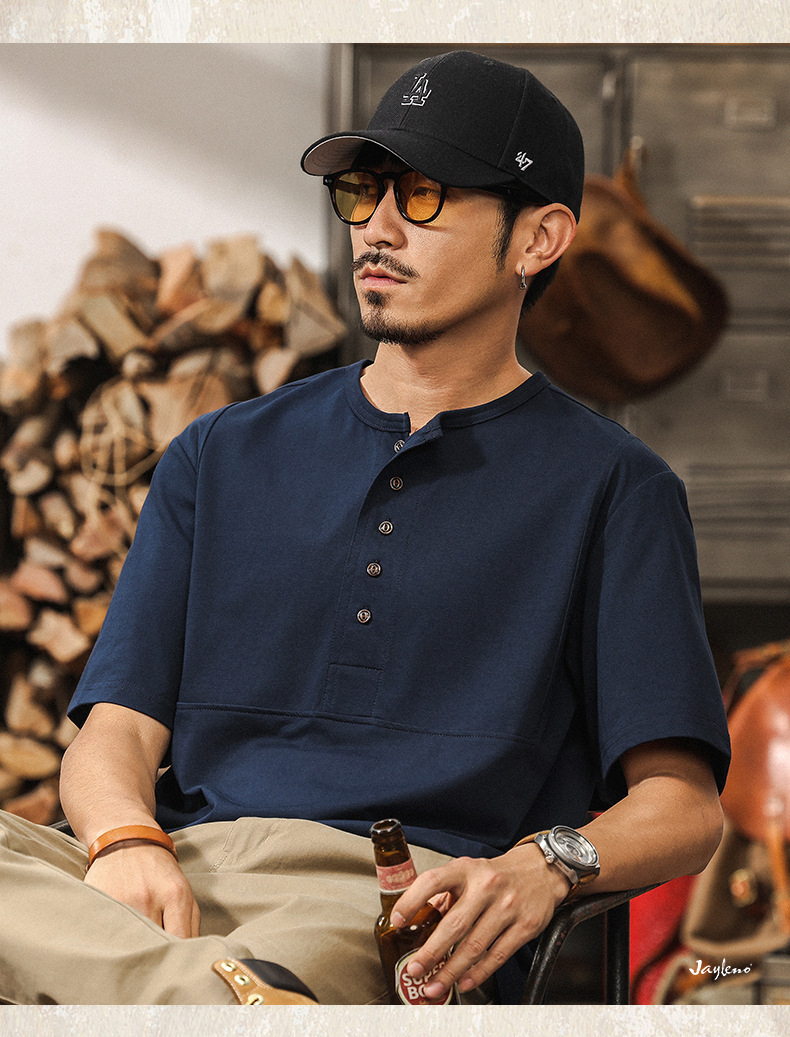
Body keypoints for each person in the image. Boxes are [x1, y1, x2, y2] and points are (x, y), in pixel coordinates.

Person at [0, 50, 730, 1006]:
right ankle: (193, 986)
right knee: (190, 978)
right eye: (363, 192)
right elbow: (115, 735)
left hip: (386, 896)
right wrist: (128, 840)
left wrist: (545, 862)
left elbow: (685, 807)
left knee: (217, 994)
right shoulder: (218, 453)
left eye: (423, 195)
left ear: (538, 238)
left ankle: (189, 989)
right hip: (174, 867)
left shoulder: (616, 488)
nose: (377, 227)